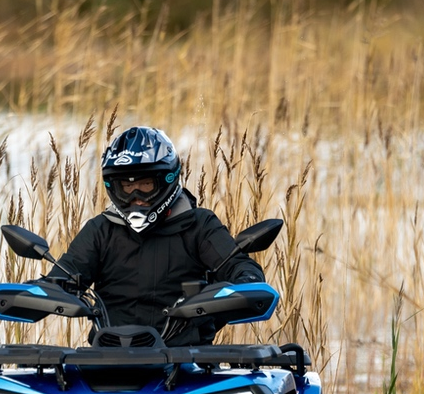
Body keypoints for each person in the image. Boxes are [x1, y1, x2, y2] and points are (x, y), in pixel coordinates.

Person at [47, 125, 264, 345]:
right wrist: (42, 290)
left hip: (185, 358)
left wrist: (246, 281)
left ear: (166, 179)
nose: (136, 196)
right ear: (115, 187)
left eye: (146, 184)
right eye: (127, 186)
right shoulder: (101, 229)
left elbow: (237, 264)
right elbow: (65, 275)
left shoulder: (199, 225)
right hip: (108, 356)